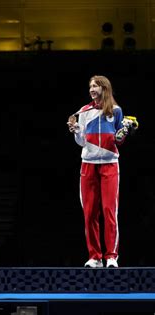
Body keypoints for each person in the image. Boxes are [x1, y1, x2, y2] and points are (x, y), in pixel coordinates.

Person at [67, 75, 128, 268]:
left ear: (105, 88)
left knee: (109, 210)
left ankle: (111, 256)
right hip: (88, 164)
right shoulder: (84, 112)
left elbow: (119, 140)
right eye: (90, 86)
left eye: (96, 86)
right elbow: (82, 142)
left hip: (110, 164)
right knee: (90, 212)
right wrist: (76, 130)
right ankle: (95, 257)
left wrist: (122, 135)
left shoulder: (116, 111)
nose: (92, 89)